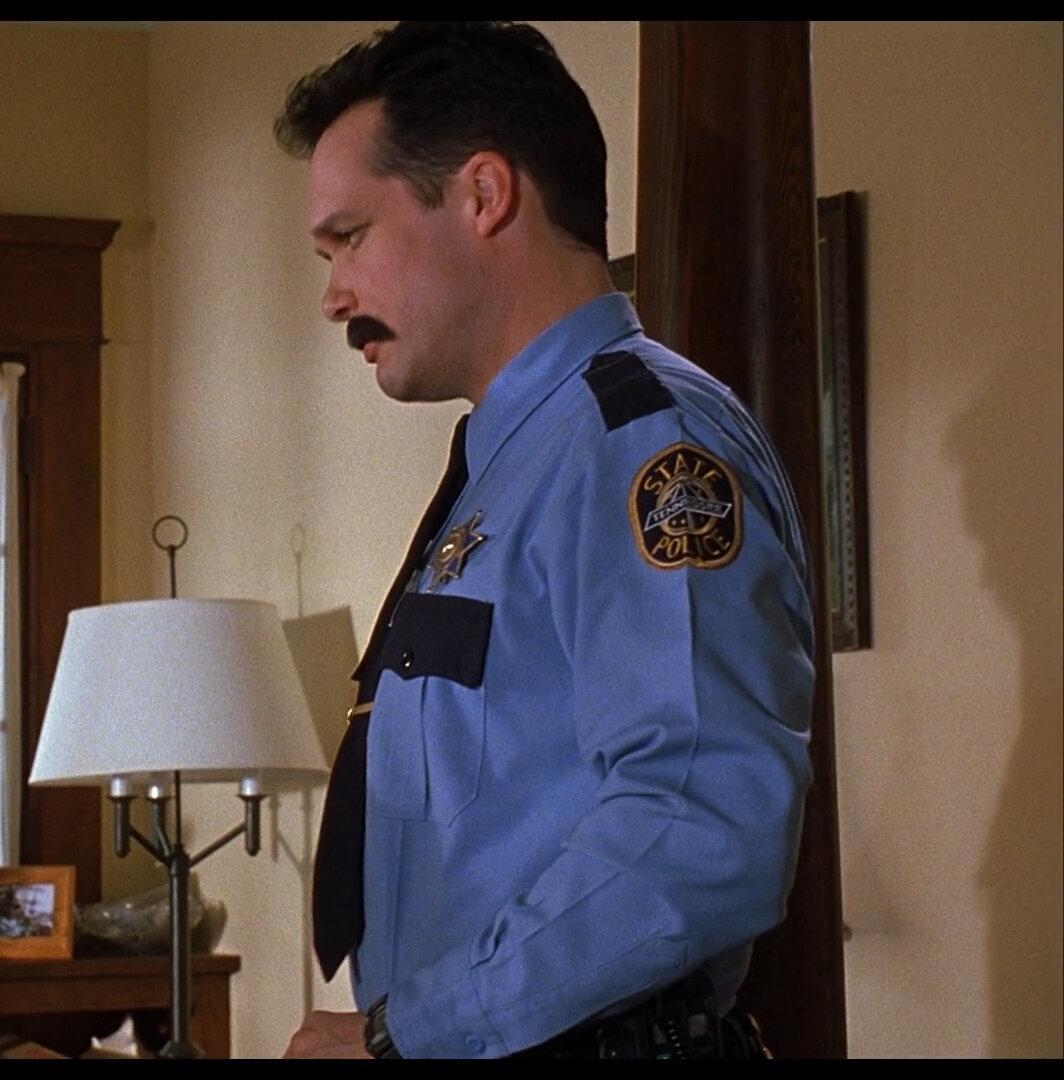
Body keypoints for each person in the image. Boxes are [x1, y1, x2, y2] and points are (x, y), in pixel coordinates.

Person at [275, 22, 814, 1059]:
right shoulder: (521, 459)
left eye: (351, 239)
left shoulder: (641, 444)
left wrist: (405, 1035)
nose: (334, 295)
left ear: (484, 194)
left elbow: (702, 824)